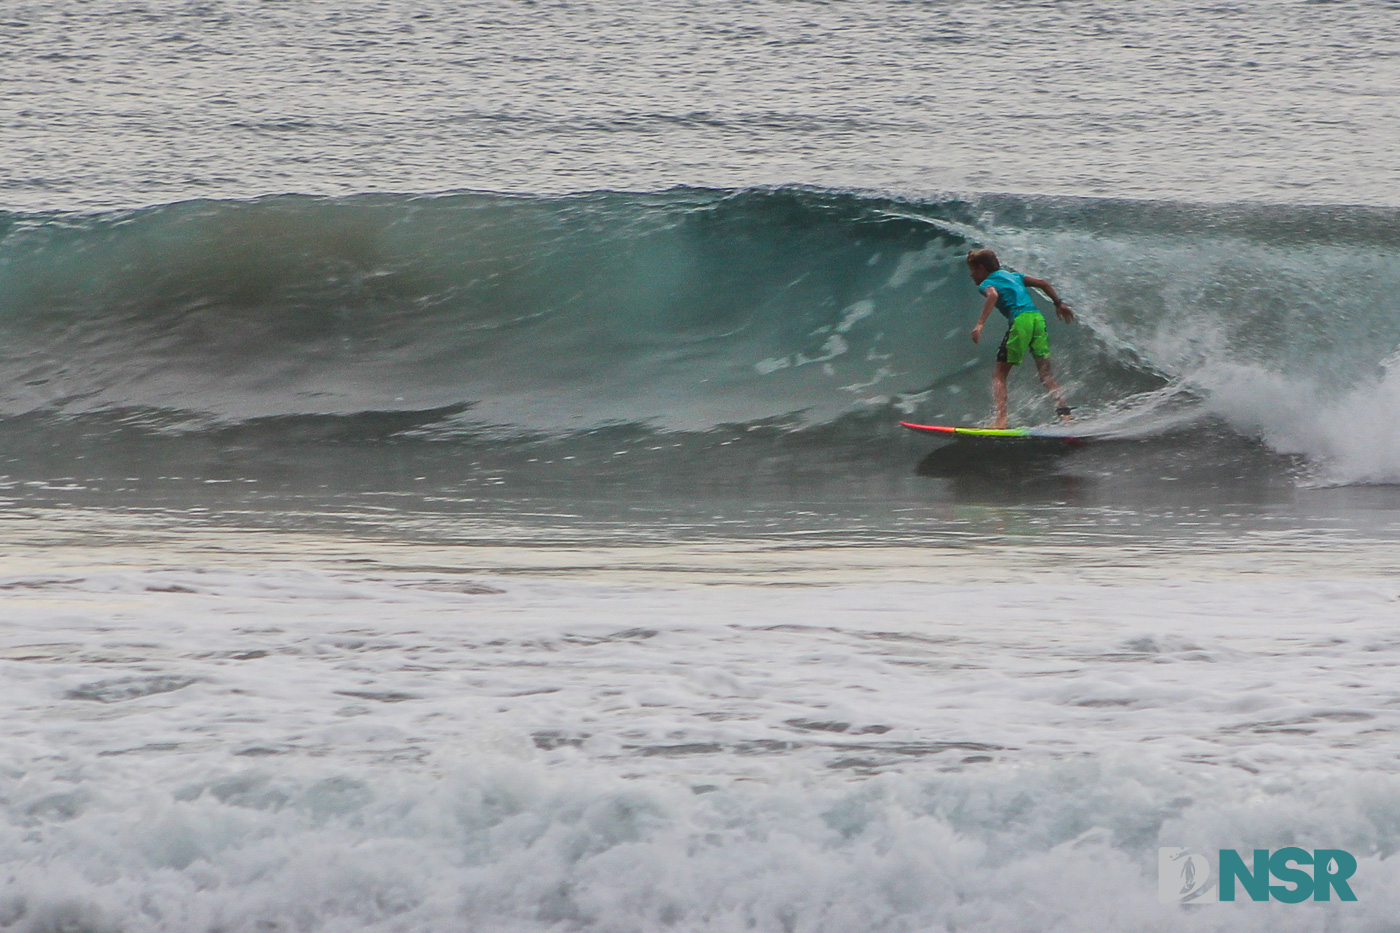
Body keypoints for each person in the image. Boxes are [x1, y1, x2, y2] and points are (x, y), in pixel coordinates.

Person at [966, 248, 1075, 429]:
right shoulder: (1014, 276)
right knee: (1046, 374)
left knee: (999, 375)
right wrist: (1059, 304)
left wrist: (979, 324)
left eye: (972, 270)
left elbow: (993, 295)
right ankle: (1065, 415)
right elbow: (1043, 283)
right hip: (1037, 319)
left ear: (982, 268)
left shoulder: (987, 282)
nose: (971, 275)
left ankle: (1001, 420)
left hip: (1021, 321)